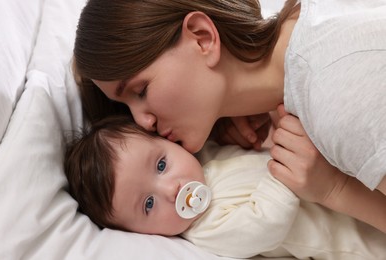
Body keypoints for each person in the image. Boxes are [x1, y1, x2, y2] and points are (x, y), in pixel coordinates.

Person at [72, 0, 386, 232]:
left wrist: (336, 190)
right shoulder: (309, 23)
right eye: (128, 108)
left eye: (140, 91)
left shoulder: (335, 95)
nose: (142, 122)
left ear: (202, 37)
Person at [64, 115, 386, 259]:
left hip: (350, 185)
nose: (171, 190)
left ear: (168, 142)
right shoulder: (207, 229)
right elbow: (266, 224)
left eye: (161, 166)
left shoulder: (205, 158)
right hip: (361, 239)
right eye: (148, 205)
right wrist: (286, 171)